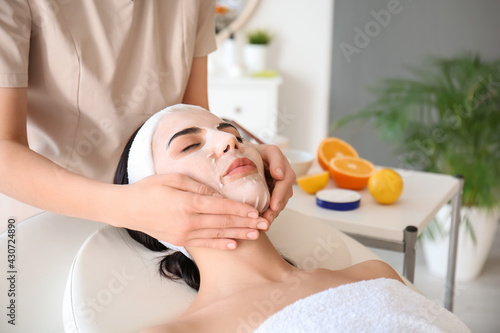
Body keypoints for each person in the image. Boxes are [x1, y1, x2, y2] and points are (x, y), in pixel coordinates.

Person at [114, 104, 471, 333]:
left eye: (233, 133)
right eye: (190, 145)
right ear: (155, 204)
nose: (228, 141)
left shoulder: (374, 274)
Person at [0, 0, 294, 249]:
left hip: (160, 232)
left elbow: (196, 117)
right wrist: (126, 207)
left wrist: (246, 154)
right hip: (48, 223)